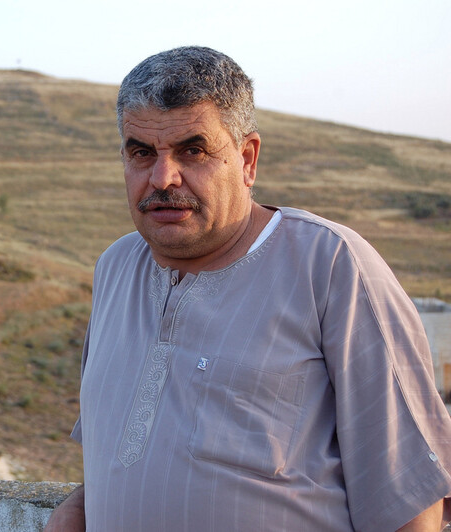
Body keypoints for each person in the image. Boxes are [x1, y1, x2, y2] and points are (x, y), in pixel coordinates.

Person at [44, 46, 451, 531]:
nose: (162, 177)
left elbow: (409, 500)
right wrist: (77, 510)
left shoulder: (331, 266)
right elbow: (127, 452)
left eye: (193, 150)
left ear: (247, 158)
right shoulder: (115, 268)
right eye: (141, 152)